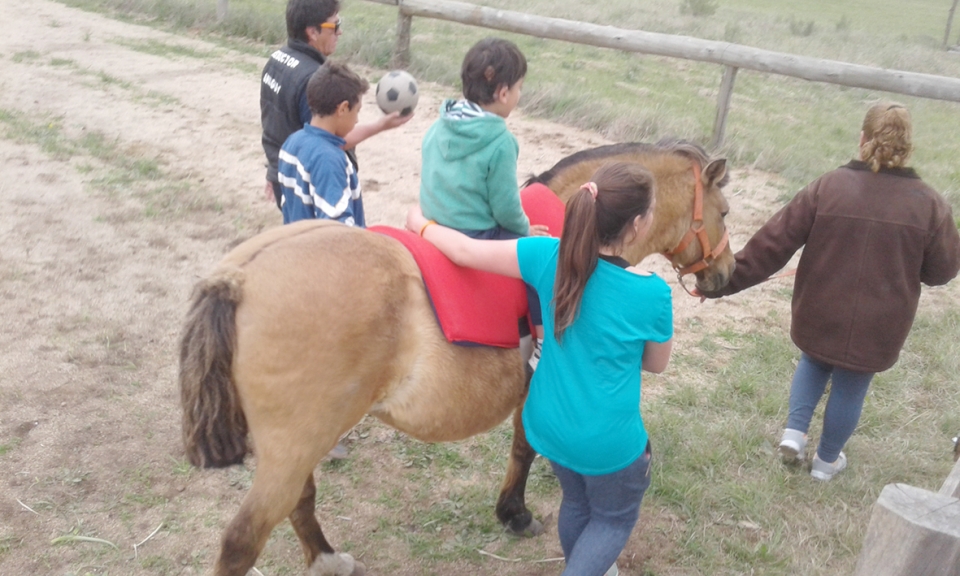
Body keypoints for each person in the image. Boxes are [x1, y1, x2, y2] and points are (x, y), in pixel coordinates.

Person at [408, 162, 674, 576]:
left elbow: (464, 252)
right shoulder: (652, 292)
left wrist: (420, 224)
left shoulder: (546, 255)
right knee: (612, 520)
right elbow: (656, 364)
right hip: (608, 443)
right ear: (637, 225)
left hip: (549, 426)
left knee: (577, 502)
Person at [699, 101, 960, 481]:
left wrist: (719, 284)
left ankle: (794, 434)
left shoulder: (828, 187)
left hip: (819, 309)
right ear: (908, 146)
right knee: (852, 384)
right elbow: (942, 271)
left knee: (814, 360)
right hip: (880, 323)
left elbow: (772, 245)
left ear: (862, 138)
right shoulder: (930, 204)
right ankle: (826, 462)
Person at [418, 37, 548, 367]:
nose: (519, 95)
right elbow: (505, 207)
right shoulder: (501, 141)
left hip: (434, 219)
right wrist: (525, 229)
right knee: (539, 260)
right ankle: (543, 342)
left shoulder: (440, 123)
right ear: (503, 93)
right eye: (519, 88)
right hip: (474, 233)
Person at [260, 0, 411, 210]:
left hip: (286, 177)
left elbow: (274, 125)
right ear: (313, 32)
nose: (339, 32)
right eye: (335, 25)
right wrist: (380, 125)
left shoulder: (276, 60)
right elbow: (332, 141)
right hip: (314, 184)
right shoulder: (312, 79)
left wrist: (273, 171)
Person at [278, 62, 367, 225]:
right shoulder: (328, 160)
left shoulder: (291, 143)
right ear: (343, 108)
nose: (357, 120)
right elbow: (337, 230)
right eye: (357, 111)